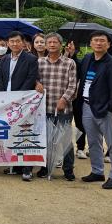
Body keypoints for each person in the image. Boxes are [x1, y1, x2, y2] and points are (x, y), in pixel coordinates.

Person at [79, 31, 112, 190]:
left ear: (108, 45)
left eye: (102, 41)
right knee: (93, 141)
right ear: (90, 43)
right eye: (95, 40)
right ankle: (97, 171)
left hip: (105, 110)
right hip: (87, 106)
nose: (98, 43)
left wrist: (111, 110)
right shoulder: (88, 59)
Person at [0, 30, 43, 182]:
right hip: (7, 101)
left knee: (25, 134)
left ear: (23, 43)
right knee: (12, 133)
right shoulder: (4, 59)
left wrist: (19, 97)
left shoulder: (31, 59)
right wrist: (3, 96)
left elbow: (31, 78)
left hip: (24, 102)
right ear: (8, 43)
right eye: (12, 41)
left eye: (17, 41)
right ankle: (15, 166)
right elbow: (1, 79)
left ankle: (27, 168)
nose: (14, 44)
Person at [36, 33, 77, 180]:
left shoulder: (69, 63)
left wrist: (64, 99)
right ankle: (45, 168)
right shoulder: (39, 62)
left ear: (61, 44)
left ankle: (68, 170)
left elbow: (73, 85)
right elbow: (33, 78)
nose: (52, 44)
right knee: (45, 140)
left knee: (65, 140)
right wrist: (36, 83)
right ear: (46, 45)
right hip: (43, 108)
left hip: (63, 108)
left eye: (55, 42)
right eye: (49, 42)